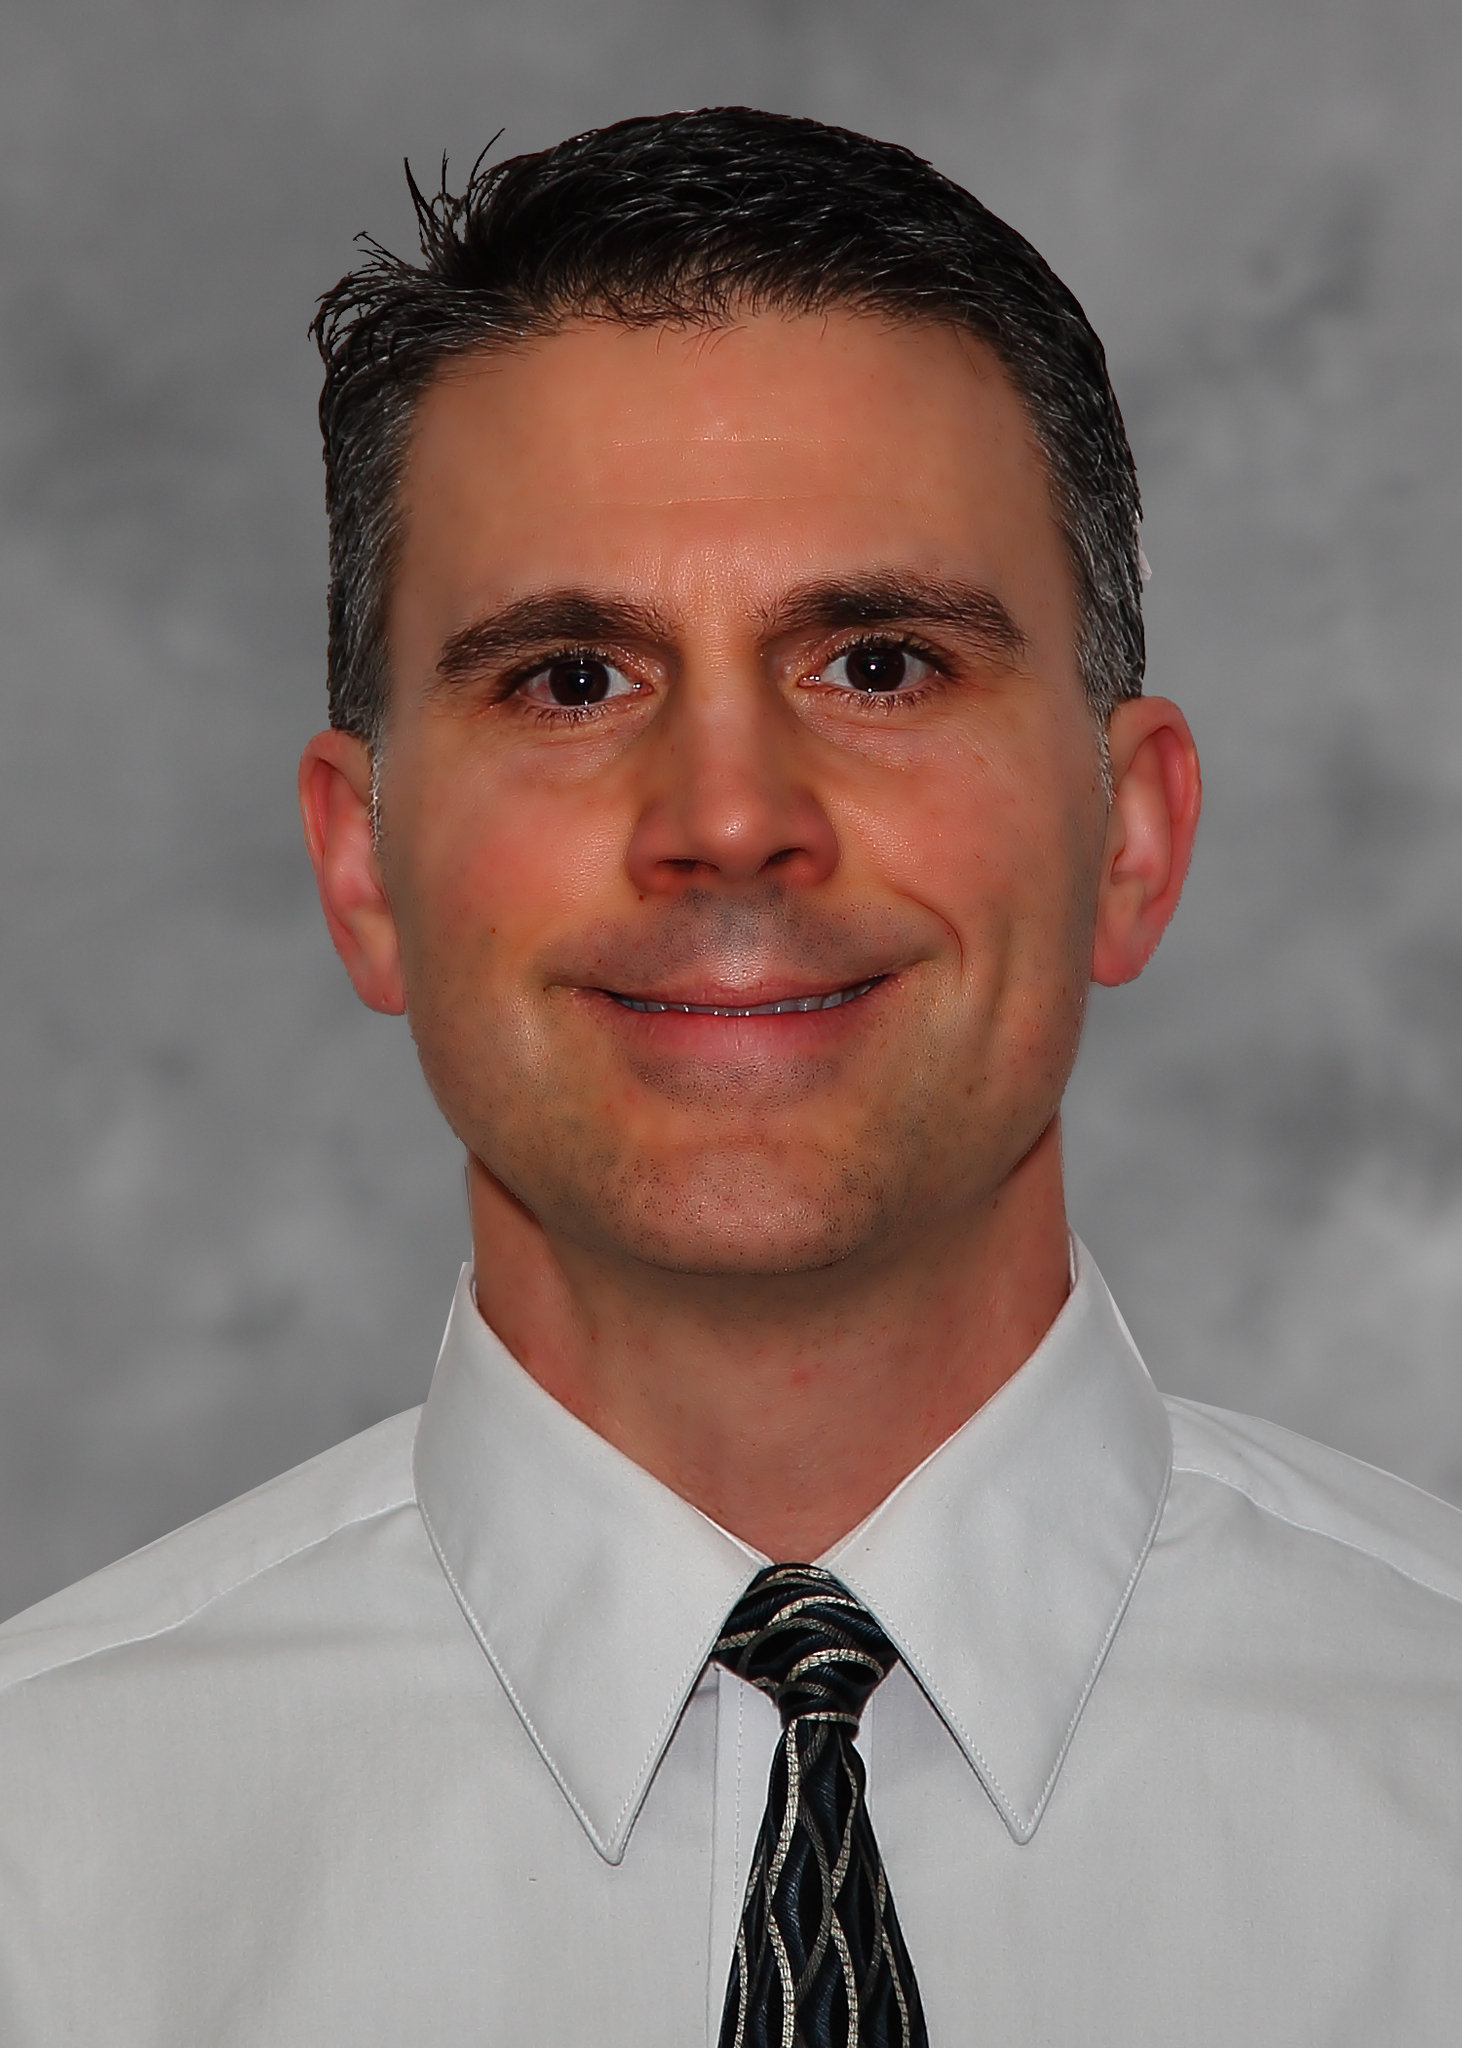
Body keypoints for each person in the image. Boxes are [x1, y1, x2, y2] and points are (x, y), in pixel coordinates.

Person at [0, 107, 1457, 2047]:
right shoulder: (43, 1870)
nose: (727, 816)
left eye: (876, 663)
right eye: (569, 679)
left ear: (1128, 834)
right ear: (362, 871)